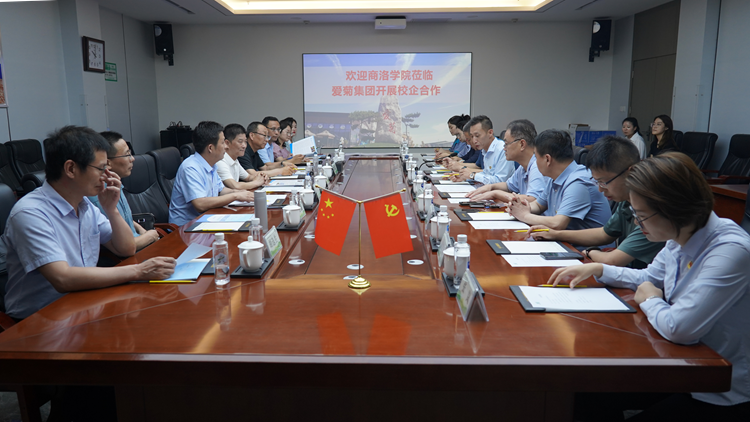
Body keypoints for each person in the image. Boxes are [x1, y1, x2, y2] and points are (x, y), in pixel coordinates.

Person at [549, 152, 750, 421]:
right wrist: (600, 269)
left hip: (719, 389)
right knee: (587, 390)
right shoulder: (681, 233)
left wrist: (649, 299)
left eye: (641, 215)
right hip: (681, 364)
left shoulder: (729, 251)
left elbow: (679, 328)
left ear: (673, 209)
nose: (636, 222)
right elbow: (648, 278)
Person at [2, 125, 176, 321]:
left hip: (86, 303)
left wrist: (112, 210)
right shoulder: (31, 213)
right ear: (71, 169)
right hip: (40, 320)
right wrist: (139, 271)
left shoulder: (85, 205)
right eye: (101, 168)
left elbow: (126, 249)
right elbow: (62, 278)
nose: (107, 175)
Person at [529, 136, 664, 268]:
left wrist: (590, 252)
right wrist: (555, 234)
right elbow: (604, 234)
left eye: (604, 182)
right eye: (597, 182)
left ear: (630, 173)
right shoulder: (626, 202)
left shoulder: (651, 212)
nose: (600, 189)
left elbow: (613, 260)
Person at [508, 129, 611, 233]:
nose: (535, 161)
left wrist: (524, 215)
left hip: (583, 243)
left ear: (547, 159)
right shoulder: (554, 178)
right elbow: (539, 205)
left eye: (536, 156)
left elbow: (558, 224)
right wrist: (519, 208)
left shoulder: (579, 182)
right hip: (561, 240)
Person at [169, 121, 255, 226]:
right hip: (187, 227)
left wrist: (242, 193)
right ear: (210, 148)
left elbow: (221, 190)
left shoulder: (212, 164)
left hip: (208, 218)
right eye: (223, 143)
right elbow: (200, 204)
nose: (226, 147)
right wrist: (236, 196)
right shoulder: (190, 168)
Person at [86, 131, 160, 252]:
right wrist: (150, 236)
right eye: (127, 155)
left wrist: (141, 230)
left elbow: (124, 218)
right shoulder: (100, 193)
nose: (132, 159)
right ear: (107, 163)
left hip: (140, 244)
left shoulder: (114, 183)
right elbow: (125, 246)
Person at [466, 119, 547, 204]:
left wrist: (495, 193)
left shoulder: (537, 167)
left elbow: (532, 200)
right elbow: (508, 186)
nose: (504, 148)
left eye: (507, 144)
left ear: (522, 144)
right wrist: (490, 187)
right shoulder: (523, 168)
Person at [449, 115, 515, 184]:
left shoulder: (502, 150)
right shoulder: (484, 149)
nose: (474, 141)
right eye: (472, 136)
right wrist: (466, 177)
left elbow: (500, 181)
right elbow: (487, 174)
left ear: (490, 133)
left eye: (477, 136)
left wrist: (472, 175)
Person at [215, 123, 268, 190]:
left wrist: (260, 177)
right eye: (240, 142)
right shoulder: (220, 161)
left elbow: (248, 177)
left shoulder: (235, 159)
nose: (244, 146)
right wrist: (257, 183)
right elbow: (235, 186)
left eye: (245, 142)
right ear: (227, 143)